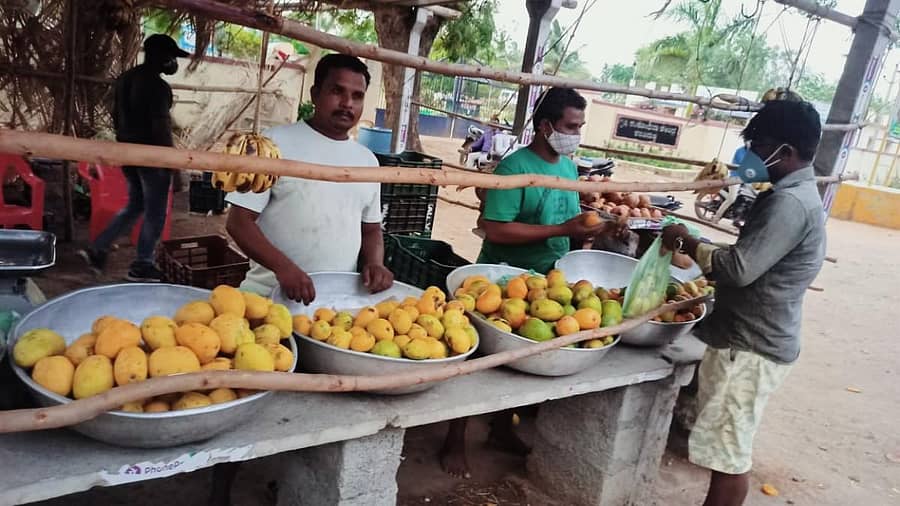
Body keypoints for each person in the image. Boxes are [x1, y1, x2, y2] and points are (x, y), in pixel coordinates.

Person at [441, 87, 615, 478]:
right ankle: (455, 438)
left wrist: (590, 233)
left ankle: (501, 429)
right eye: (571, 126)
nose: (577, 134)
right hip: (501, 280)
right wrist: (561, 227)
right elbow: (495, 229)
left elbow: (570, 223)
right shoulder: (514, 169)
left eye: (581, 126)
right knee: (479, 362)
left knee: (520, 365)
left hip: (546, 282)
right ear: (546, 126)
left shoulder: (568, 168)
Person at [660, 99, 826, 506]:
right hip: (749, 338)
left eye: (757, 144)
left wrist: (690, 242)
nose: (749, 153)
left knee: (728, 456)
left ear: (784, 152)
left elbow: (737, 270)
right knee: (725, 447)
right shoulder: (795, 194)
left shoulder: (789, 203)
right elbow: (753, 258)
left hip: (749, 347)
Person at [225, 53, 393, 302]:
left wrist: (375, 263)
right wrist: (284, 268)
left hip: (332, 307)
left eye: (357, 96)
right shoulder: (273, 144)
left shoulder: (367, 162)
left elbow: (371, 230)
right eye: (337, 91)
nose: (347, 103)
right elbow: (238, 222)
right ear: (315, 94)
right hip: (266, 298)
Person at [78, 34, 188, 281]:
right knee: (155, 213)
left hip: (127, 151)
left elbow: (115, 116)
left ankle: (99, 247)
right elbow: (161, 128)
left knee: (136, 205)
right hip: (152, 156)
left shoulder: (124, 80)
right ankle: (142, 263)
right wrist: (173, 166)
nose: (172, 63)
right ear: (160, 56)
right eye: (170, 57)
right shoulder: (157, 87)